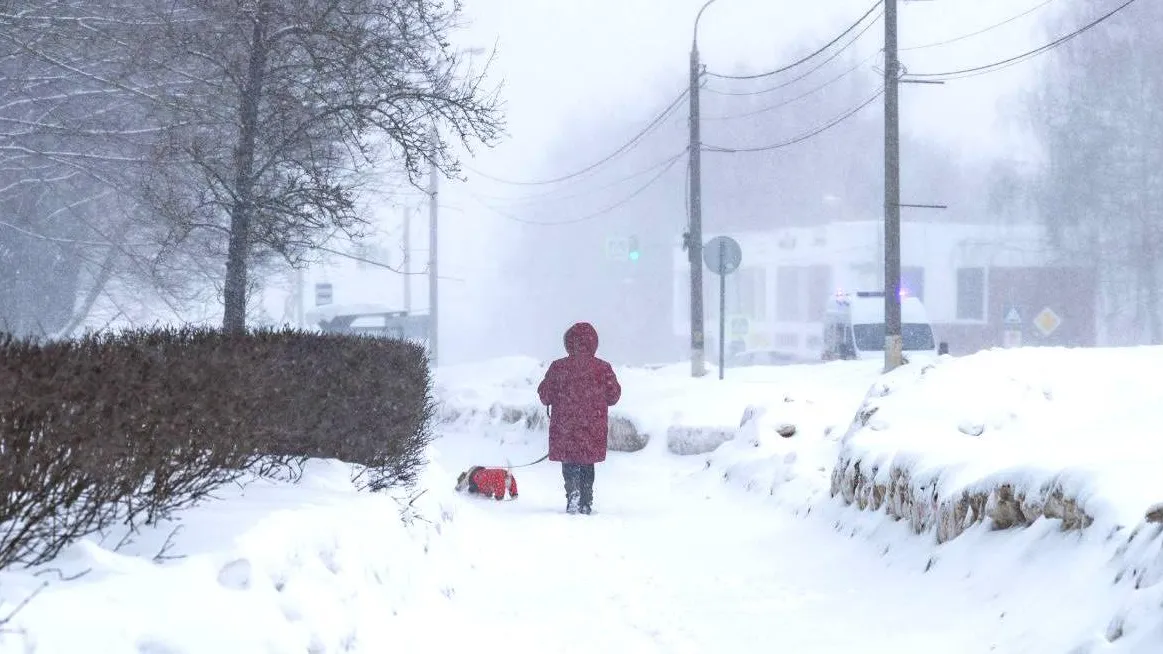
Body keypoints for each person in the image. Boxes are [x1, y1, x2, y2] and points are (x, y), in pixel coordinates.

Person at [537, 322, 621, 515]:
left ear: (568, 343)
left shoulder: (559, 367)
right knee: (587, 462)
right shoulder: (602, 368)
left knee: (570, 462)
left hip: (565, 425)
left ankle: (572, 494)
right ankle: (586, 499)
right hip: (592, 426)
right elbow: (614, 395)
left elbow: (545, 395)